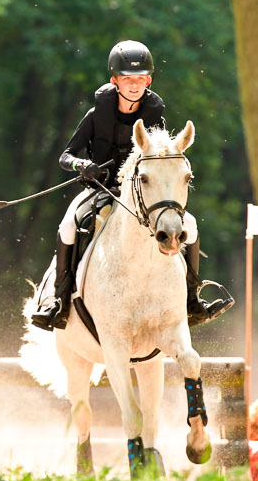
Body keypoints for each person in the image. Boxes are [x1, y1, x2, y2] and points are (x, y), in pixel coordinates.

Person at [31, 40, 234, 331]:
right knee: (69, 224)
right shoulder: (95, 115)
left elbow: (163, 157)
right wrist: (82, 165)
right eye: (127, 79)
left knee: (189, 223)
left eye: (140, 79)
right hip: (100, 191)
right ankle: (58, 302)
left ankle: (192, 301)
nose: (134, 84)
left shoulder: (154, 117)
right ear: (115, 81)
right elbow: (66, 156)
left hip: (142, 196)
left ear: (148, 81)